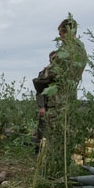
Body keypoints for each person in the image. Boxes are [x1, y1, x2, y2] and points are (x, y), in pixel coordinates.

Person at [32, 15, 87, 150]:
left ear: (67, 32)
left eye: (61, 33)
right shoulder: (81, 50)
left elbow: (53, 73)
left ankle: (54, 162)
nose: (59, 36)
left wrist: (46, 71)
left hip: (58, 95)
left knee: (55, 130)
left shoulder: (66, 50)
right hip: (70, 93)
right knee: (66, 127)